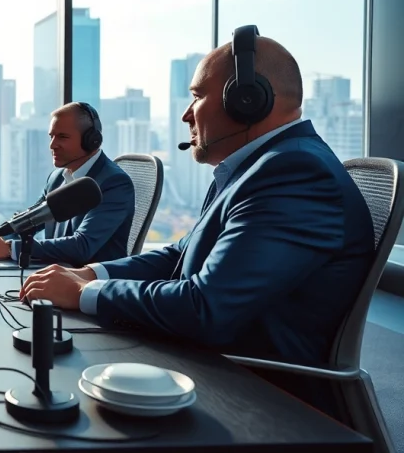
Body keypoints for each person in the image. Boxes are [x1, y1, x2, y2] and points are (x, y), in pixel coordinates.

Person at [19, 29, 374, 411]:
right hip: (214, 364)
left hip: (259, 396)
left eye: (197, 96)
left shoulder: (294, 173)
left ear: (247, 100)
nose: (186, 114)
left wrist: (84, 293)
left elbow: (207, 308)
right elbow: (180, 254)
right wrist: (90, 274)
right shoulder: (255, 169)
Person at [0, 102, 135, 267]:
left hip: (90, 279)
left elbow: (83, 246)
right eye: (52, 136)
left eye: (62, 137)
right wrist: (0, 235)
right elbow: (30, 221)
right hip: (56, 272)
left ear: (91, 140)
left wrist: (10, 248)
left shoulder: (115, 183)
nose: (52, 145)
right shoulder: (57, 177)